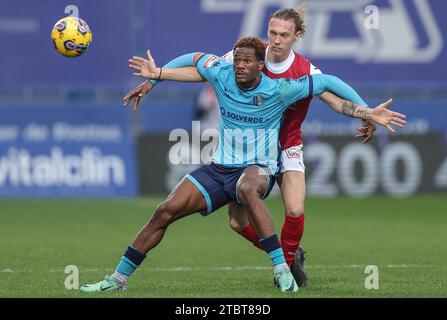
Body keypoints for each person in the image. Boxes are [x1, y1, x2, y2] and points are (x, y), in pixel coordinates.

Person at [80, 37, 405, 294]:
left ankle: (282, 268)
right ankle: (116, 279)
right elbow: (193, 58)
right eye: (236, 60)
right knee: (165, 210)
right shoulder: (221, 74)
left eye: (247, 61)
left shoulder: (281, 88)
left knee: (247, 189)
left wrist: (366, 110)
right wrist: (158, 76)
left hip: (260, 167)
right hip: (220, 168)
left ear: (261, 66)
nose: (239, 66)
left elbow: (328, 82)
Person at [122, 5, 377, 288]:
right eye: (272, 33)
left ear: (297, 36)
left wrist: (366, 111)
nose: (277, 40)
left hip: (286, 145)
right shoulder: (248, 57)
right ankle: (290, 258)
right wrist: (155, 78)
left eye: (284, 34)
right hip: (247, 151)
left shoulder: (305, 70)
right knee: (236, 222)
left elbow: (332, 97)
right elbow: (201, 68)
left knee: (294, 209)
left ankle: (288, 267)